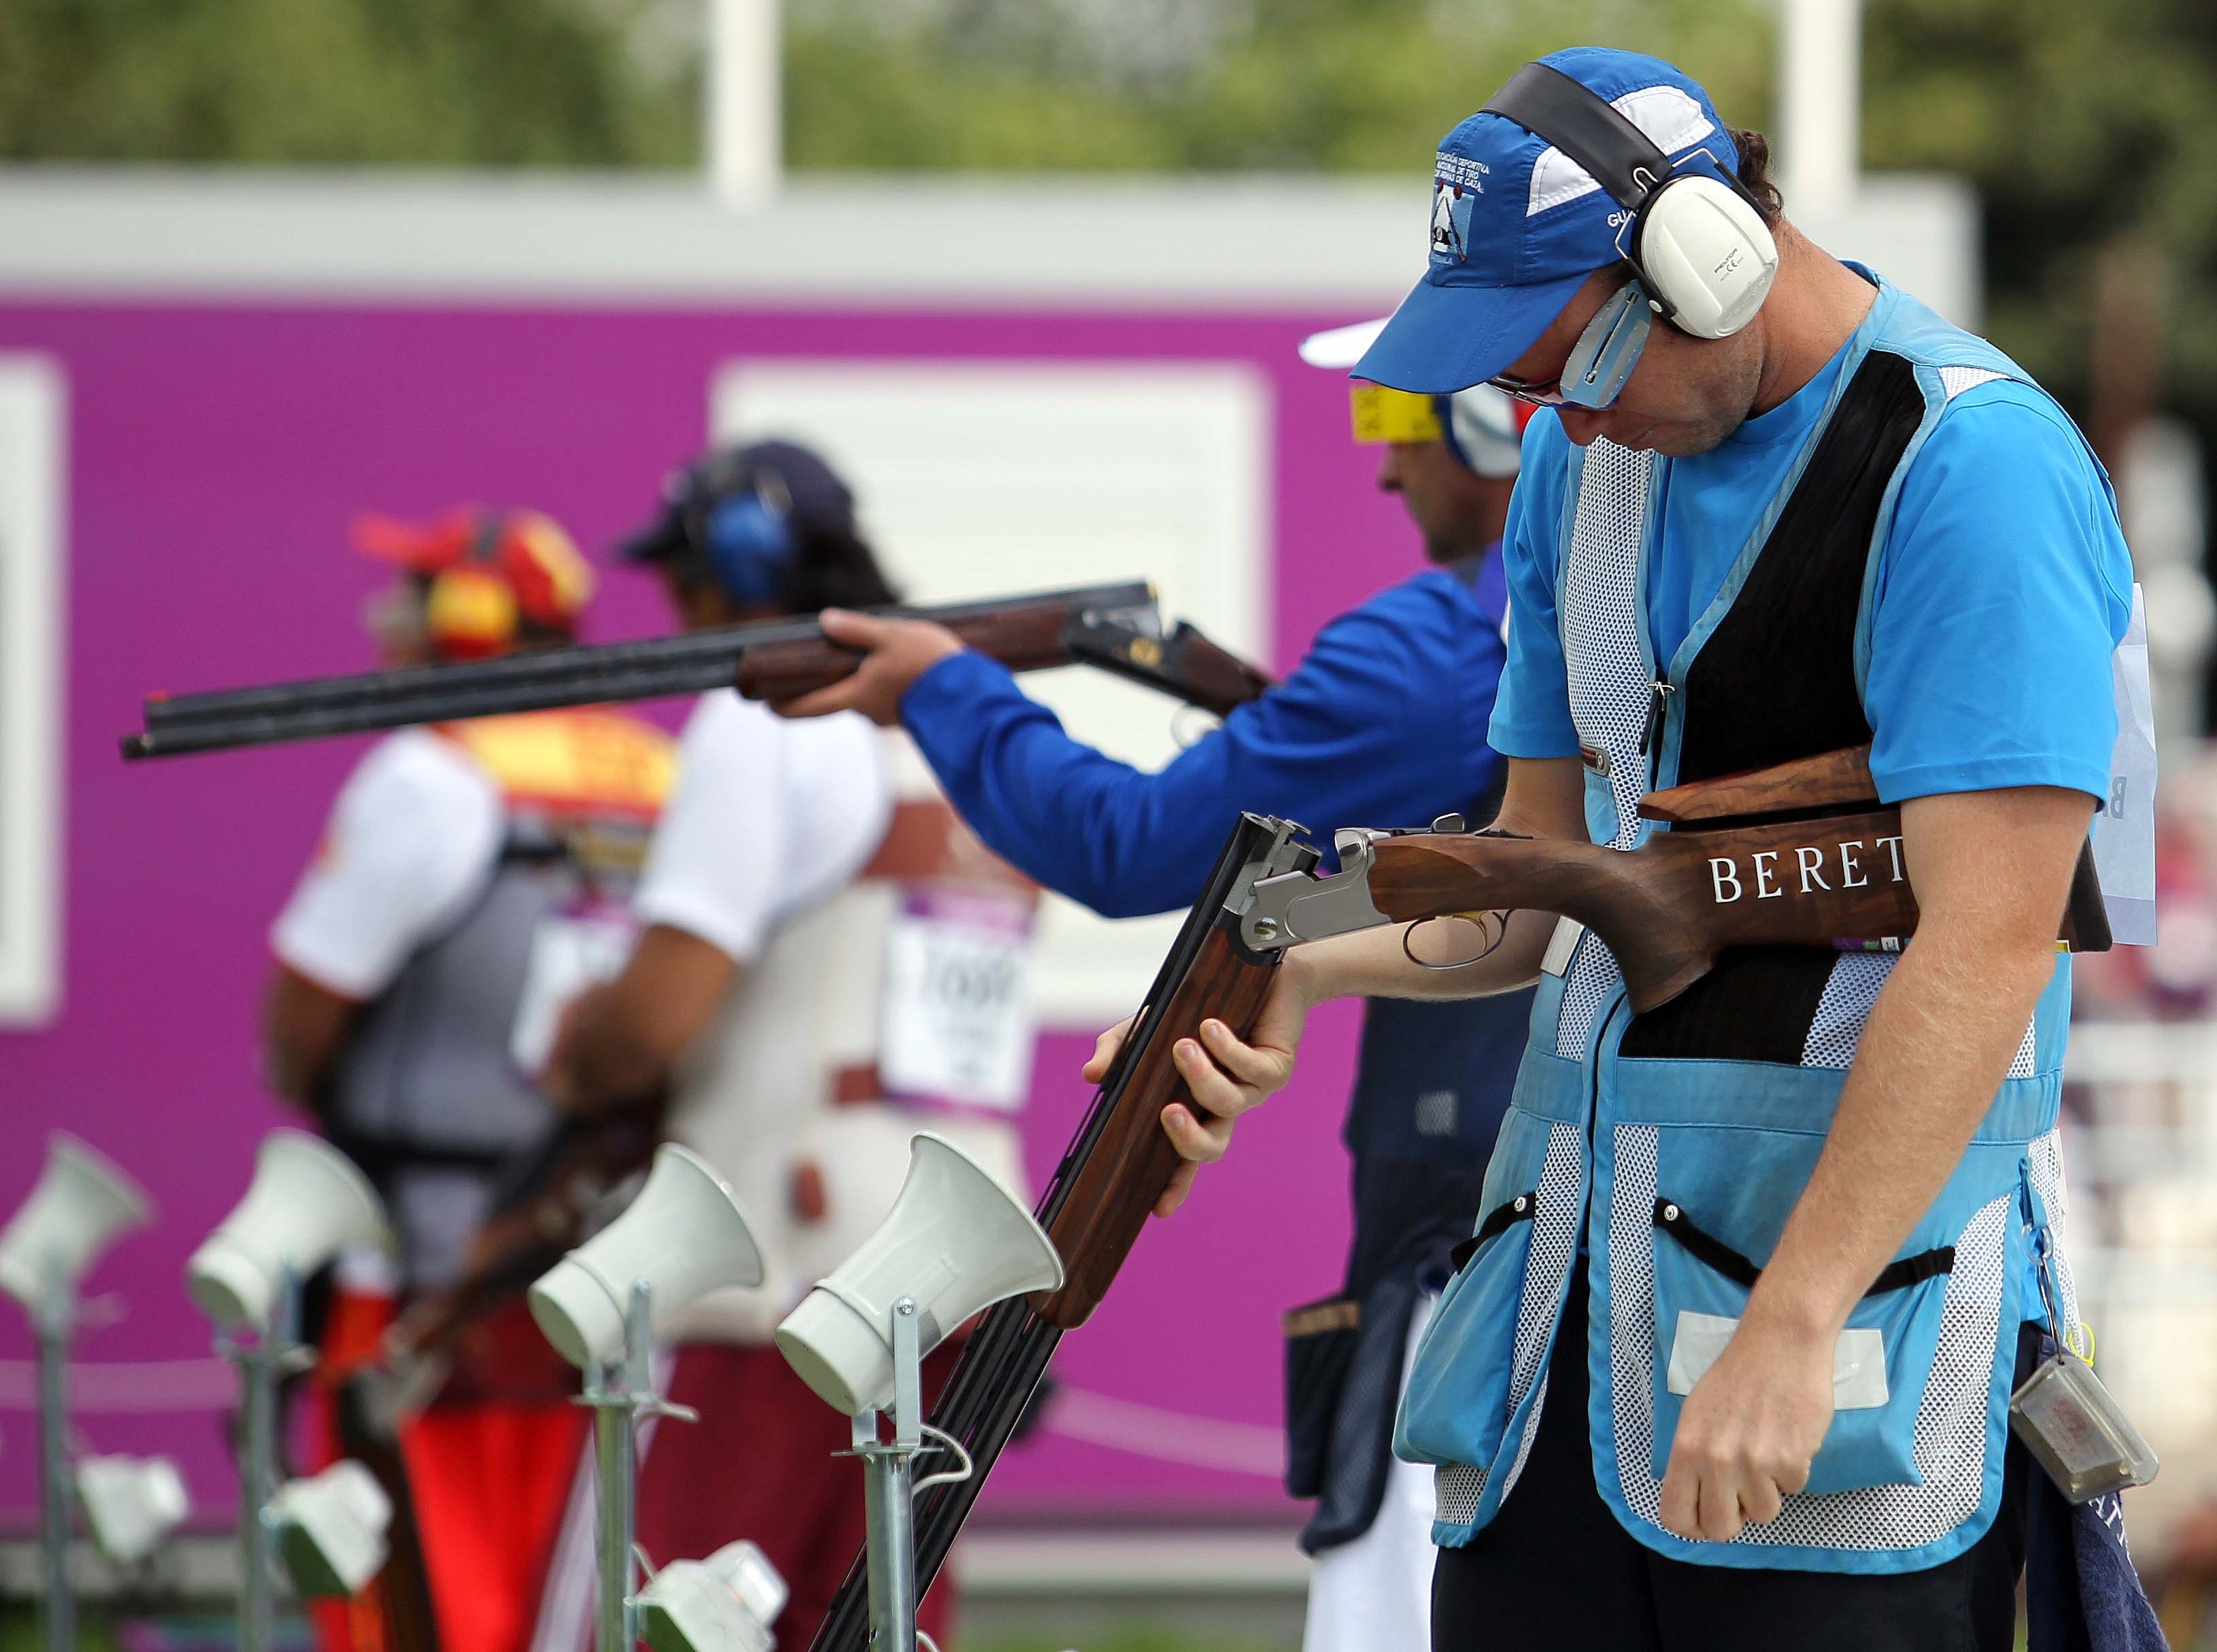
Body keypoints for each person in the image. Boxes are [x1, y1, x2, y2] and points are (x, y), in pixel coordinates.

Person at [1099, 46, 2137, 1652]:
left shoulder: (1969, 470)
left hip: (1841, 1357)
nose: (1544, 415)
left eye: (1557, 360)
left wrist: (1799, 1316)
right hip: (1558, 1357)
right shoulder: (1581, 466)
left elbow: (1990, 941)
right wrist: (1293, 950)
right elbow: (1529, 886)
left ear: (1702, 258)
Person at [762, 359, 1533, 1649]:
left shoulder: (1432, 649)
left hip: (1456, 1274)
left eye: (1398, 421)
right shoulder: (1595, 633)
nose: (1385, 464)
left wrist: (941, 685)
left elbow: (1123, 844)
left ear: (1495, 424)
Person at [534, 440, 1038, 1651]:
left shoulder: (765, 723)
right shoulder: (971, 729)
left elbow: (650, 1021)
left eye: (684, 581)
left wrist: (571, 1047)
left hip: (774, 1265)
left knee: (665, 1616)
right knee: (877, 1628)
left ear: (728, 573)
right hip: (948, 1271)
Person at [263, 508, 675, 1652]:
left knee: (399, 1581)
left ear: (470, 619)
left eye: (413, 594)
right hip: (605, 1248)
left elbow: (305, 1006)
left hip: (417, 1259)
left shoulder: (433, 770)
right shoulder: (661, 767)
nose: (384, 622)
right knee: (567, 1580)